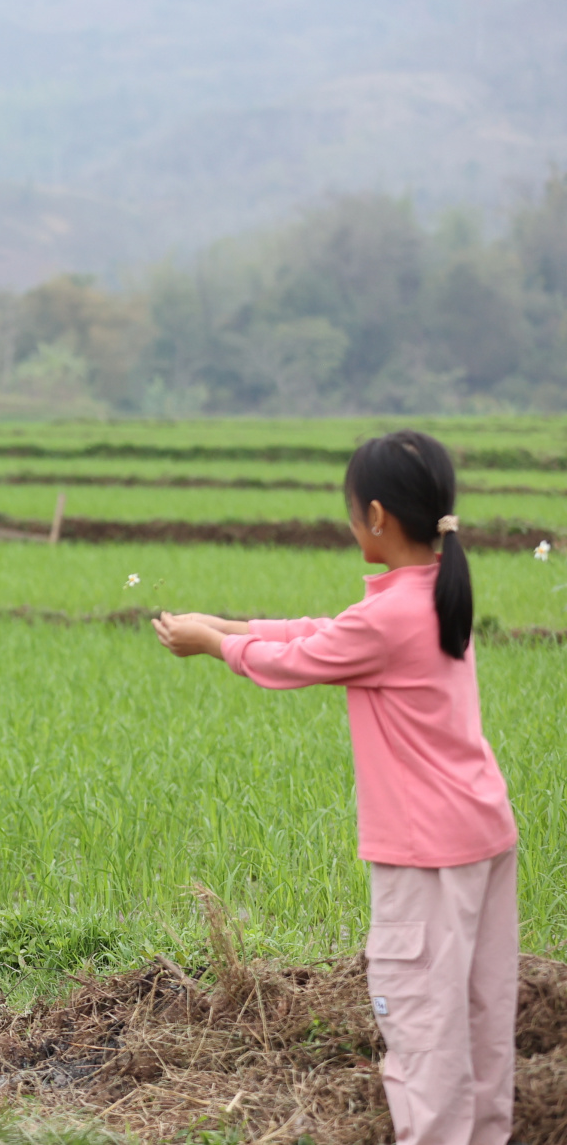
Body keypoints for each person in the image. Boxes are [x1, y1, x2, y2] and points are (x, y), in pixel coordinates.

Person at [153, 430, 517, 1145]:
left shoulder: (392, 615)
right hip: (479, 833)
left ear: (376, 516)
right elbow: (325, 631)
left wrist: (214, 644)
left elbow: (299, 660)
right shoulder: (434, 594)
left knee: (422, 1028)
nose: (351, 522)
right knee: (480, 1023)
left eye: (351, 510)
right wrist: (228, 624)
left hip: (426, 856)